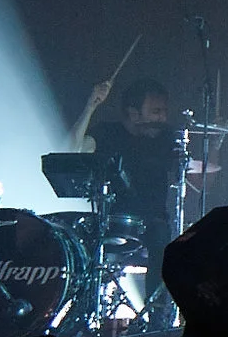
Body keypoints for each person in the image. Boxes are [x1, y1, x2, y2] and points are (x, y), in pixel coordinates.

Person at [69, 74, 184, 258]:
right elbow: (70, 152)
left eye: (164, 111)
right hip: (110, 223)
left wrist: (216, 142)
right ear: (134, 113)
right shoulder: (107, 133)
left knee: (161, 233)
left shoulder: (166, 139)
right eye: (156, 111)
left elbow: (200, 182)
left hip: (153, 227)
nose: (163, 118)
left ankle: (157, 287)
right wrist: (90, 107)